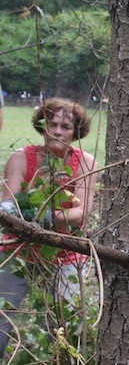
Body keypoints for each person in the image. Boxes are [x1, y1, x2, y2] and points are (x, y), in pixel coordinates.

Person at [0, 98, 99, 358]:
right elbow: (8, 204)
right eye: (52, 124)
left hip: (64, 253)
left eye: (65, 126)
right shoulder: (21, 157)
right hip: (17, 249)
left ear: (76, 132)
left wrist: (45, 217)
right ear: (42, 126)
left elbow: (80, 213)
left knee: (62, 325)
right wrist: (19, 212)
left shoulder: (85, 162)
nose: (57, 131)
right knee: (1, 316)